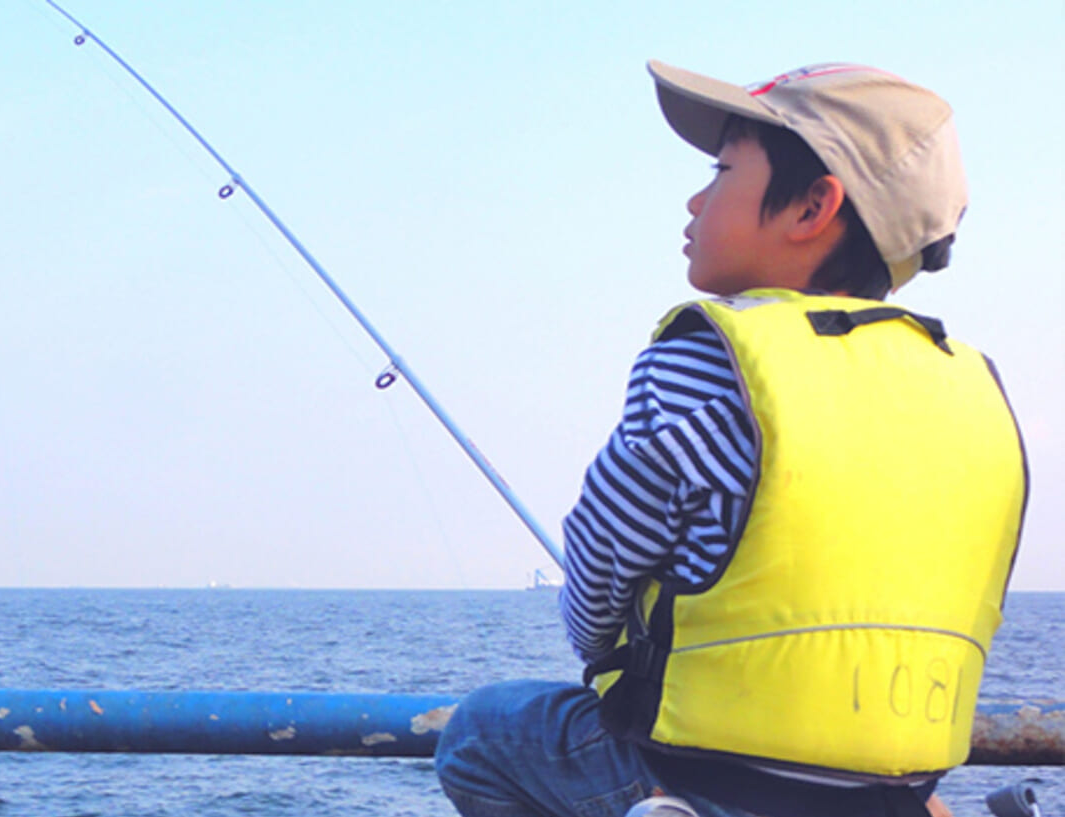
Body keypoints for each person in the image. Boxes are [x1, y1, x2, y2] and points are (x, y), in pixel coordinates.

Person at [433, 61, 1028, 817]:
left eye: (720, 173)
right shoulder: (975, 388)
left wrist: (606, 650)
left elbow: (599, 564)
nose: (695, 199)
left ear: (813, 206)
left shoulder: (711, 361)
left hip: (710, 780)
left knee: (483, 731)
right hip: (897, 791)